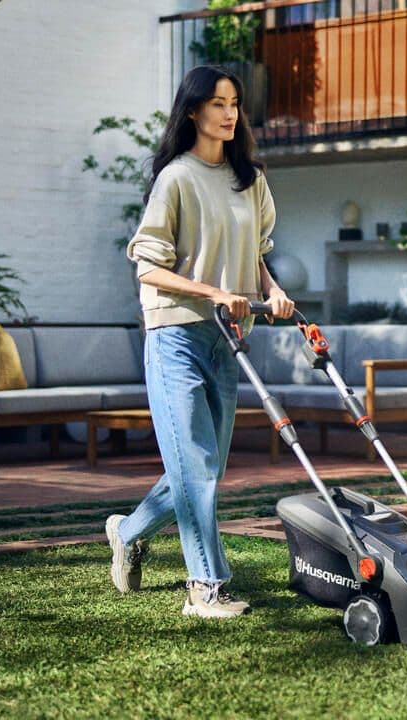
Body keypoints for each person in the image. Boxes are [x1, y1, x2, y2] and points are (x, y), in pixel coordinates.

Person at [105, 65, 294, 619]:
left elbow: (255, 256)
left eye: (234, 102)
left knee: (200, 466)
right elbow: (148, 267)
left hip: (227, 338)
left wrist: (274, 290)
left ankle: (129, 531)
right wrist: (213, 290)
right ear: (193, 112)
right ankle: (205, 587)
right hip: (175, 335)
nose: (230, 112)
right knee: (198, 465)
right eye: (217, 103)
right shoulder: (177, 179)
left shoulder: (250, 180)